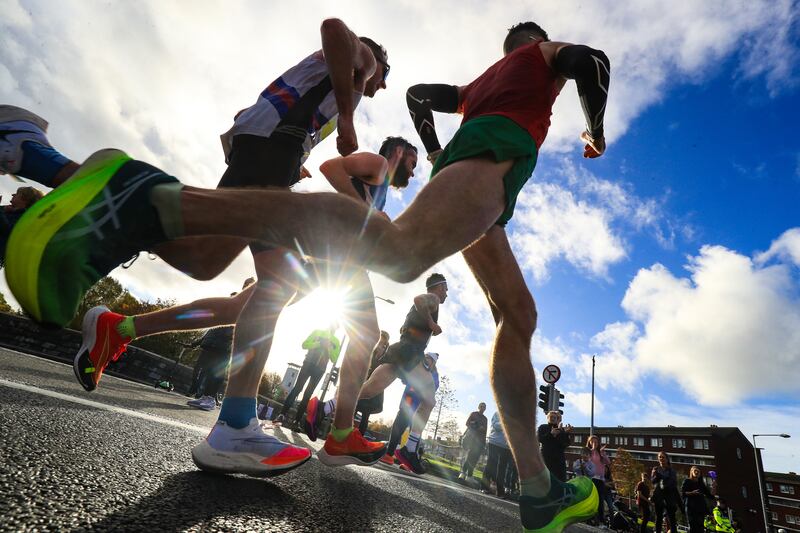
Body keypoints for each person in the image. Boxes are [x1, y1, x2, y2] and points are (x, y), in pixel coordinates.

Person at [6, 20, 610, 531]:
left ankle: (99, 266)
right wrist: (596, 130)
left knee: (215, 268)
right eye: (377, 83)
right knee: (367, 268)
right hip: (430, 156)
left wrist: (433, 148)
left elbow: (425, 95)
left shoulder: (482, 84)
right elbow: (592, 61)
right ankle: (146, 204)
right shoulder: (532, 58)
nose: (375, 88)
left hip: (355, 162)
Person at [306, 273, 447, 474]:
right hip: (411, 353)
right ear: (438, 287)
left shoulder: (431, 303)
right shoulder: (432, 299)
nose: (446, 294)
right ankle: (410, 449)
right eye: (445, 289)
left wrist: (414, 326)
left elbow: (413, 314)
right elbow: (418, 301)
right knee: (430, 401)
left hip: (400, 350)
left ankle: (324, 408)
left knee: (368, 390)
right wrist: (431, 324)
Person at [274, 325, 341, 428]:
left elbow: (334, 358)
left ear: (337, 328)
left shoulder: (336, 341)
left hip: (320, 370)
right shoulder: (317, 331)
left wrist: (328, 348)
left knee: (307, 395)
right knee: (297, 388)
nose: (333, 327)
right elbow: (304, 345)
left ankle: (296, 422)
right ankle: (281, 415)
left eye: (335, 326)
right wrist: (319, 343)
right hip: (308, 363)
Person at [380, 352, 439, 466]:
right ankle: (389, 454)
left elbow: (434, 387)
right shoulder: (417, 366)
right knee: (398, 427)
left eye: (429, 358)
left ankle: (408, 462)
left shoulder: (434, 374)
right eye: (425, 357)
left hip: (419, 408)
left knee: (414, 432)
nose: (426, 359)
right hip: (407, 403)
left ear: (433, 362)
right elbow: (406, 378)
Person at [0, 105, 80, 187]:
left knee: (64, 176)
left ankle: (89, 179)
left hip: (12, 129)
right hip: (15, 127)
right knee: (60, 181)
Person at [354, 330, 390, 435]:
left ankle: (359, 439)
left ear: (386, 342)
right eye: (380, 338)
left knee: (366, 415)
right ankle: (346, 434)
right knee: (353, 409)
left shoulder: (386, 354)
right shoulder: (370, 348)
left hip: (375, 386)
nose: (381, 341)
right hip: (363, 382)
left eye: (384, 339)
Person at [481, 411, 513, 498]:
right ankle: (484, 487)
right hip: (494, 442)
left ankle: (500, 492)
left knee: (502, 469)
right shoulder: (497, 413)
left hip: (507, 446)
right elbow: (495, 425)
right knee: (491, 464)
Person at [537, 410, 572, 482]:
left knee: (559, 481)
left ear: (557, 419)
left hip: (559, 461)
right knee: (546, 481)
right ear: (547, 418)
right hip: (547, 460)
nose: (553, 418)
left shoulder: (561, 430)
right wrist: (551, 434)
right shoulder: (543, 427)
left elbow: (566, 444)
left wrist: (565, 433)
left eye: (555, 417)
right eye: (551, 417)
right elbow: (540, 439)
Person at [651, 451, 680, 533]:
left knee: (672, 519)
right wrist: (654, 475)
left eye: (663, 457)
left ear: (667, 459)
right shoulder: (656, 469)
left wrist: (661, 476)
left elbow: (673, 483)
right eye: (659, 457)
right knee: (658, 518)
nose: (661, 459)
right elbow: (653, 482)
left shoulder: (672, 471)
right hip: (659, 497)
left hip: (669, 497)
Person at [459, 402, 488, 480]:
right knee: (469, 457)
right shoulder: (473, 414)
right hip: (472, 439)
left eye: (484, 407)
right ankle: (463, 473)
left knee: (475, 459)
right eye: (481, 406)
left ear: (485, 409)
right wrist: (477, 427)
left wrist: (484, 444)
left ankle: (469, 476)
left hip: (480, 441)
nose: (482, 408)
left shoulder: (485, 419)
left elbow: (485, 431)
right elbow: (467, 423)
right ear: (478, 407)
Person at [587, 435, 611, 526]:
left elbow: (608, 462)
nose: (594, 443)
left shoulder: (601, 453)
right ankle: (590, 519)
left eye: (596, 442)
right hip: (591, 479)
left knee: (600, 500)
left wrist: (603, 454)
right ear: (589, 443)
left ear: (598, 443)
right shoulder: (589, 452)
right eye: (592, 442)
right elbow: (587, 462)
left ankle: (601, 521)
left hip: (600, 480)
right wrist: (592, 450)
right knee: (591, 499)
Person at [681, 466, 712, 533]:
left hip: (700, 509)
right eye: (695, 470)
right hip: (691, 509)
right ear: (691, 472)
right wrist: (692, 493)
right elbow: (683, 493)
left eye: (698, 471)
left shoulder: (701, 484)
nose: (697, 472)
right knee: (693, 528)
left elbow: (709, 495)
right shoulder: (687, 481)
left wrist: (714, 486)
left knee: (701, 528)